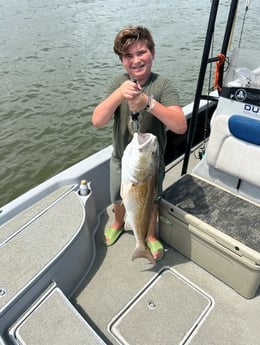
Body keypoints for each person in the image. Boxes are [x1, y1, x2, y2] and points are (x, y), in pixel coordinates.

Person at [92, 25, 187, 261]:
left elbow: (180, 126)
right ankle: (117, 221)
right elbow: (97, 120)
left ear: (153, 53)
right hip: (121, 160)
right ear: (122, 61)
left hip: (151, 165)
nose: (136, 60)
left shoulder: (163, 85)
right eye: (128, 56)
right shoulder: (118, 82)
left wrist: (148, 103)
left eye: (142, 52)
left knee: (150, 202)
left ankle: (150, 236)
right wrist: (118, 95)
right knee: (118, 196)